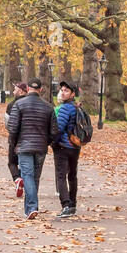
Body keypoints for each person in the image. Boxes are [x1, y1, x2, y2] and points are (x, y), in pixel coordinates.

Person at [6, 78, 58, 219]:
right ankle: (29, 208)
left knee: (27, 175)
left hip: (24, 146)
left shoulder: (19, 104)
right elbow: (54, 131)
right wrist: (46, 142)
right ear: (41, 90)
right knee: (34, 177)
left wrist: (14, 143)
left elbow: (12, 128)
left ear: (28, 89)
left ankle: (31, 207)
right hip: (40, 147)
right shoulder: (48, 107)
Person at [52, 80, 82, 218]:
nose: (63, 92)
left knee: (61, 175)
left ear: (73, 94)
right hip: (75, 146)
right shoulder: (77, 107)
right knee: (72, 175)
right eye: (62, 90)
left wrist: (53, 142)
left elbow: (59, 128)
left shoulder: (65, 108)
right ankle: (73, 204)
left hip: (63, 146)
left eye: (66, 90)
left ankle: (65, 205)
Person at [5, 81, 29, 196]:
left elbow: (7, 123)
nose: (13, 91)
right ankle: (25, 182)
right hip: (29, 138)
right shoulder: (30, 103)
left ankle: (17, 178)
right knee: (27, 163)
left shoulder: (11, 105)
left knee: (12, 162)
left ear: (20, 91)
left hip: (15, 138)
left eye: (15, 89)